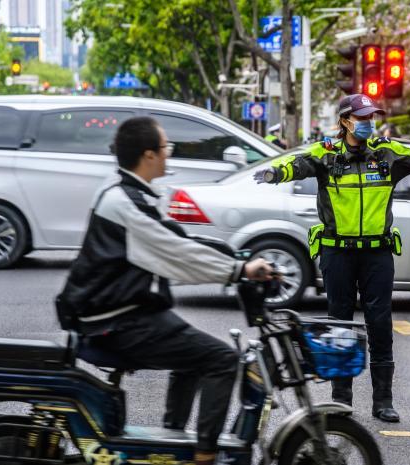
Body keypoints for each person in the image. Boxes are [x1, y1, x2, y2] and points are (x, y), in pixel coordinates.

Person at [252, 94, 410, 422]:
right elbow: (296, 164)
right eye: (361, 118)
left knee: (380, 324)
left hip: (377, 253)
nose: (368, 123)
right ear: (345, 121)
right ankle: (341, 401)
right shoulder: (326, 154)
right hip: (337, 253)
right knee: (339, 326)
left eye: (371, 117)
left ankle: (383, 402)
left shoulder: (387, 152)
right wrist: (274, 174)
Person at [56, 117, 274, 465]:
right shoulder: (126, 203)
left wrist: (234, 256)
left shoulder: (125, 190)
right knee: (222, 359)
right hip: (115, 321)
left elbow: (176, 238)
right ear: (148, 155)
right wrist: (238, 271)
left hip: (123, 309)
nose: (168, 154)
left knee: (192, 353)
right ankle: (204, 456)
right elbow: (175, 252)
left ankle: (172, 442)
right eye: (165, 148)